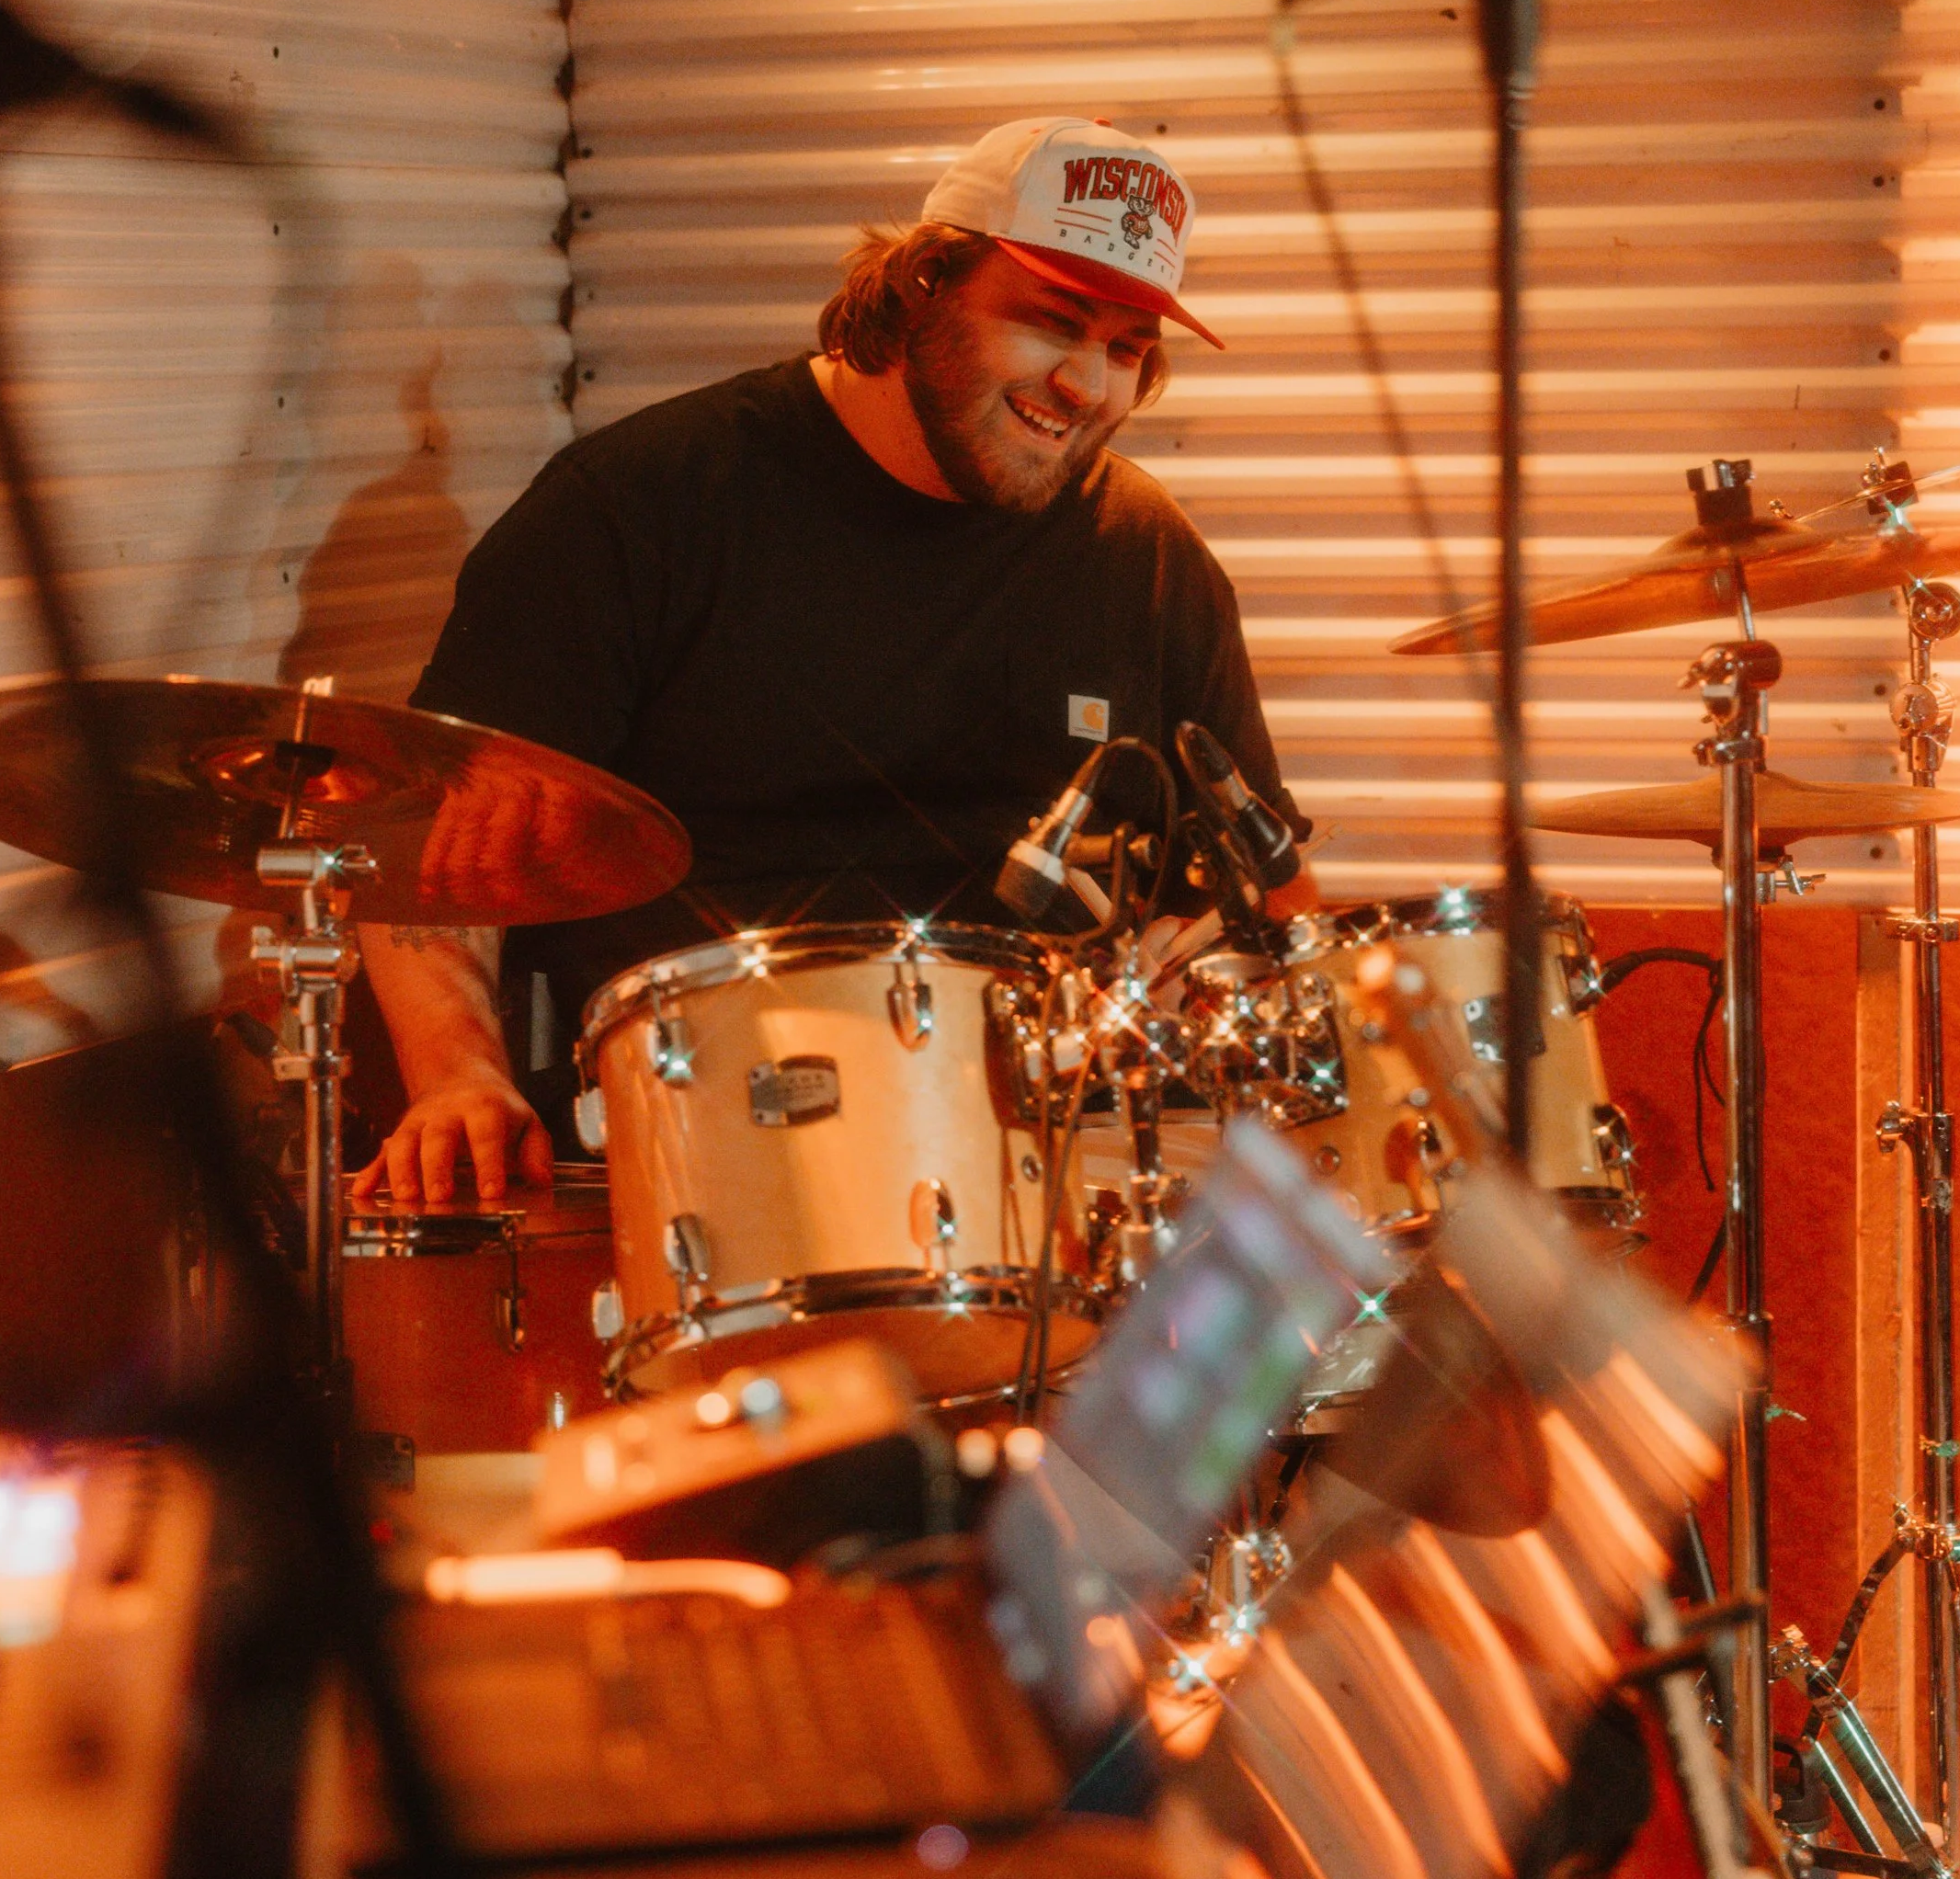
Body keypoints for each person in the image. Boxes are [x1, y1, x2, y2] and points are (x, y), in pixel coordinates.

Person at [355, 114, 1300, 1206]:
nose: (1087, 385)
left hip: (1050, 1168)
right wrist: (457, 1078)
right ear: (919, 290)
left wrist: (1208, 974)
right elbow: (431, 849)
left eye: (1127, 350)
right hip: (718, 1159)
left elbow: (1267, 895)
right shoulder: (645, 507)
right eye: (1052, 323)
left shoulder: (1141, 552)